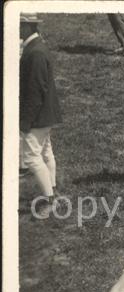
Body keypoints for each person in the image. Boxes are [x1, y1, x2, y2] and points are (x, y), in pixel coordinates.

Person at [20, 13, 62, 220]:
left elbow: (35, 88)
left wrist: (26, 121)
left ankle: (49, 199)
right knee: (46, 152)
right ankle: (52, 188)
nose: (17, 30)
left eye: (20, 26)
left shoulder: (34, 52)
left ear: (28, 27)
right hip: (47, 111)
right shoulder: (38, 47)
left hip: (38, 114)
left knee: (31, 157)